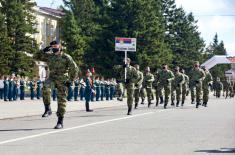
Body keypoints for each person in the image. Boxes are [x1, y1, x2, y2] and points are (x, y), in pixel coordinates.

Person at [33, 40, 79, 129]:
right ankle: (48, 108)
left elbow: (75, 69)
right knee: (45, 87)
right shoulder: (50, 57)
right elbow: (35, 57)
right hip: (52, 78)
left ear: (60, 46)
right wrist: (43, 50)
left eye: (55, 46)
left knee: (61, 100)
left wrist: (71, 80)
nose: (54, 48)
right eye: (52, 47)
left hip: (63, 79)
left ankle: (60, 121)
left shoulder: (66, 57)